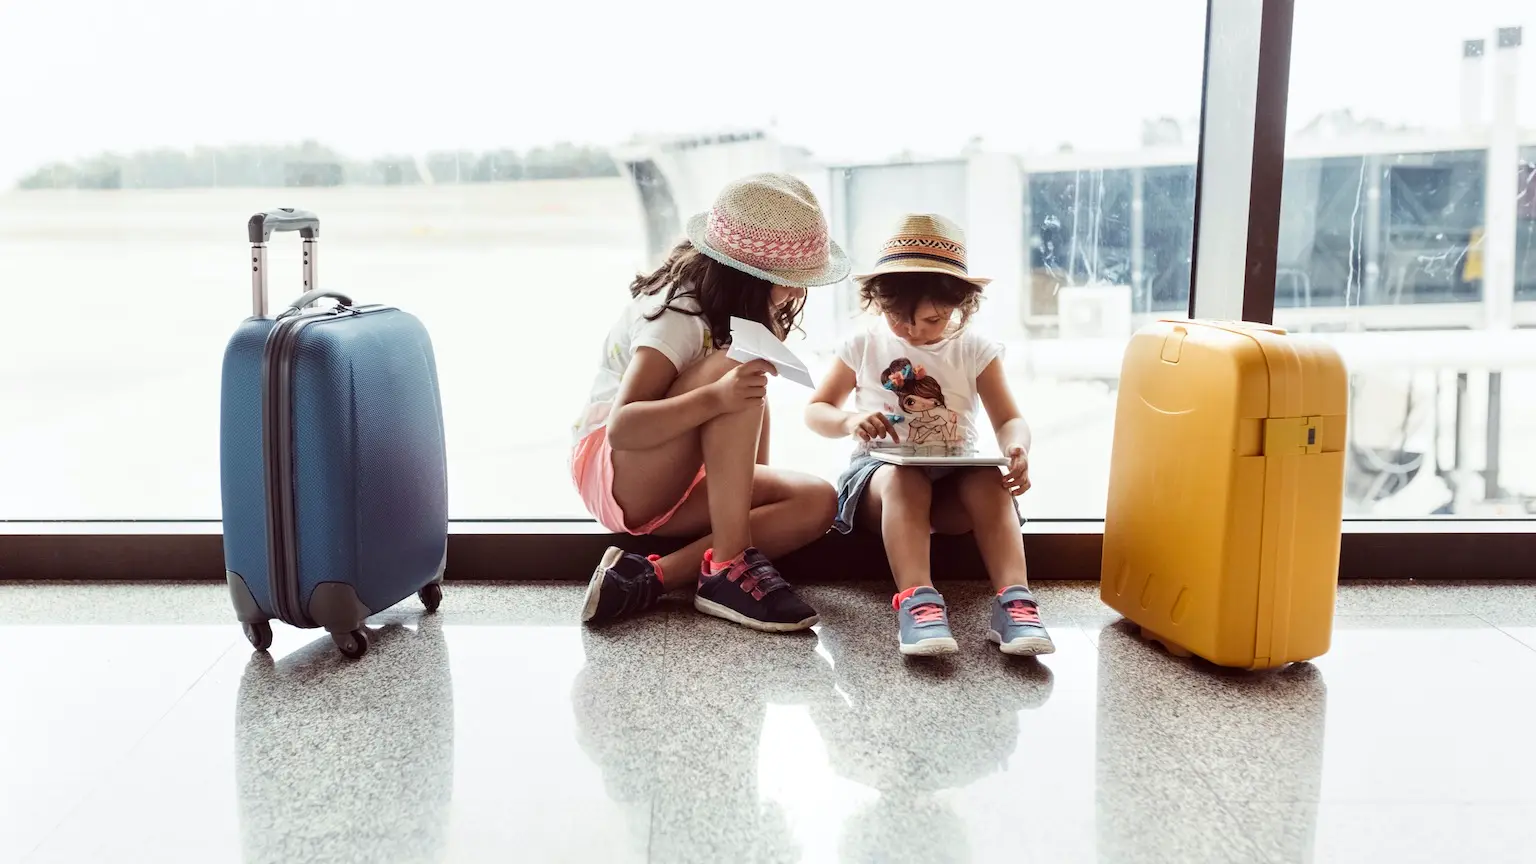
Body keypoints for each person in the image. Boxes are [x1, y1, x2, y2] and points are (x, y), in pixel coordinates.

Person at [573, 173, 846, 632]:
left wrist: (750, 490)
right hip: (618, 472)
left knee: (818, 501)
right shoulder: (678, 315)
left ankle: (648, 578)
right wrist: (717, 397)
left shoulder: (742, 310)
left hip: (674, 473)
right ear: (747, 276)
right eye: (789, 281)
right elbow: (624, 427)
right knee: (732, 371)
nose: (799, 293)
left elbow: (749, 409)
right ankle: (728, 566)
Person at [804, 213, 1055, 656]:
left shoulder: (974, 349)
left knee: (988, 482)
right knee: (905, 479)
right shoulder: (862, 345)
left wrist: (1017, 447)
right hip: (882, 480)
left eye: (932, 320)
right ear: (878, 303)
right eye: (898, 318)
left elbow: (1009, 420)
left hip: (954, 477)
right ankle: (918, 603)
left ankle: (1015, 602)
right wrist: (847, 421)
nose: (914, 331)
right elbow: (817, 410)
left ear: (959, 303)